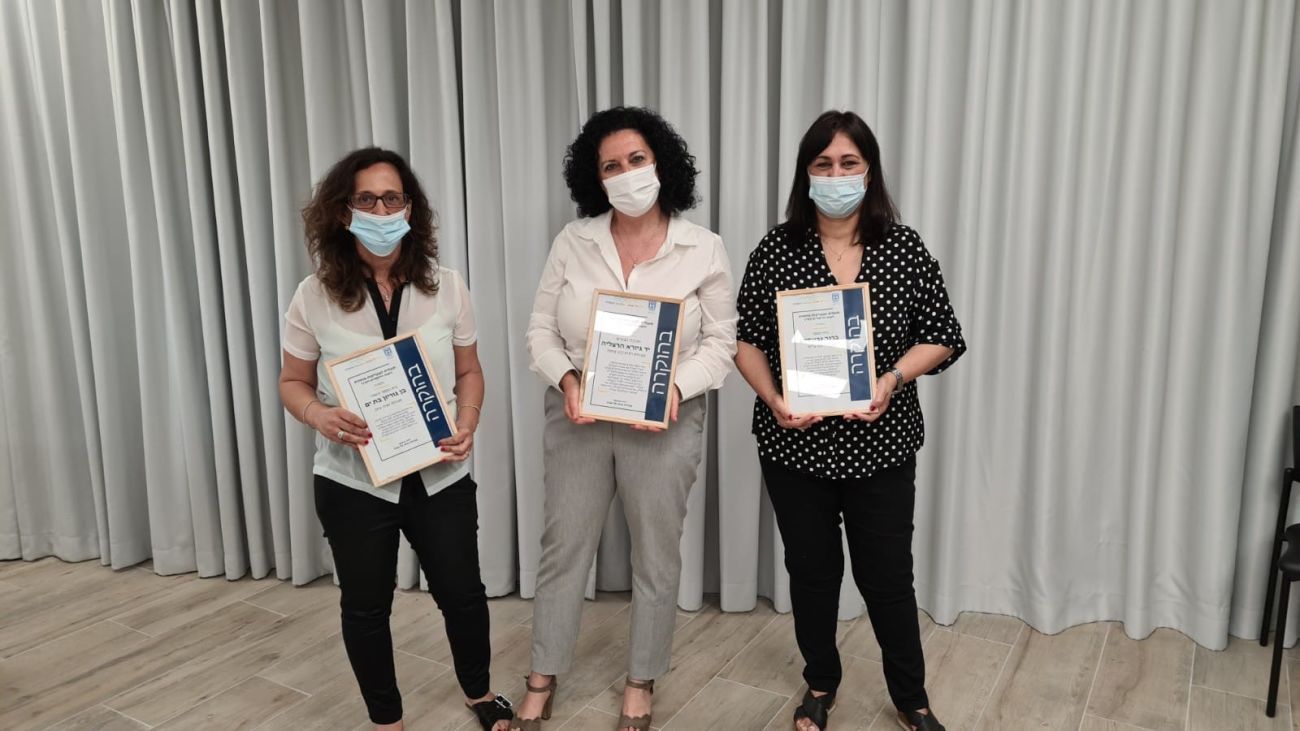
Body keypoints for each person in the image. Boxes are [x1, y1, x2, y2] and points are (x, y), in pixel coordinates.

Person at [734, 111, 966, 731]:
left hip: (881, 444)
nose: (835, 175)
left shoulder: (904, 247)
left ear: (869, 171)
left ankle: (911, 698)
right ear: (805, 173)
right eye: (823, 164)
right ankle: (820, 682)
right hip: (795, 446)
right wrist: (774, 398)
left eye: (848, 163)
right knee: (811, 574)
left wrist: (892, 378)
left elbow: (943, 334)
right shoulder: (776, 250)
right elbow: (746, 341)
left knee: (888, 578)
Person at [516, 107, 737, 731]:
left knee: (656, 555)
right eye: (611, 166)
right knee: (564, 547)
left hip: (667, 421)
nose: (626, 174)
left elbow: (722, 342)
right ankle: (542, 674)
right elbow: (539, 330)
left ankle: (641, 679)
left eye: (636, 159)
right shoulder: (573, 241)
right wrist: (566, 379)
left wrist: (677, 388)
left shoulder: (703, 248)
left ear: (661, 164)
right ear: (596, 179)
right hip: (578, 416)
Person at [278, 147, 513, 731]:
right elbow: (292, 382)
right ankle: (387, 720)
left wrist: (468, 419)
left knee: (462, 593)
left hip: (440, 474)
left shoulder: (448, 287)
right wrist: (318, 415)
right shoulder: (313, 294)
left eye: (392, 198)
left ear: (410, 208)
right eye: (366, 199)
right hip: (352, 481)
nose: (381, 211)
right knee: (365, 607)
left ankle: (480, 693)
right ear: (343, 211)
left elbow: (470, 372)